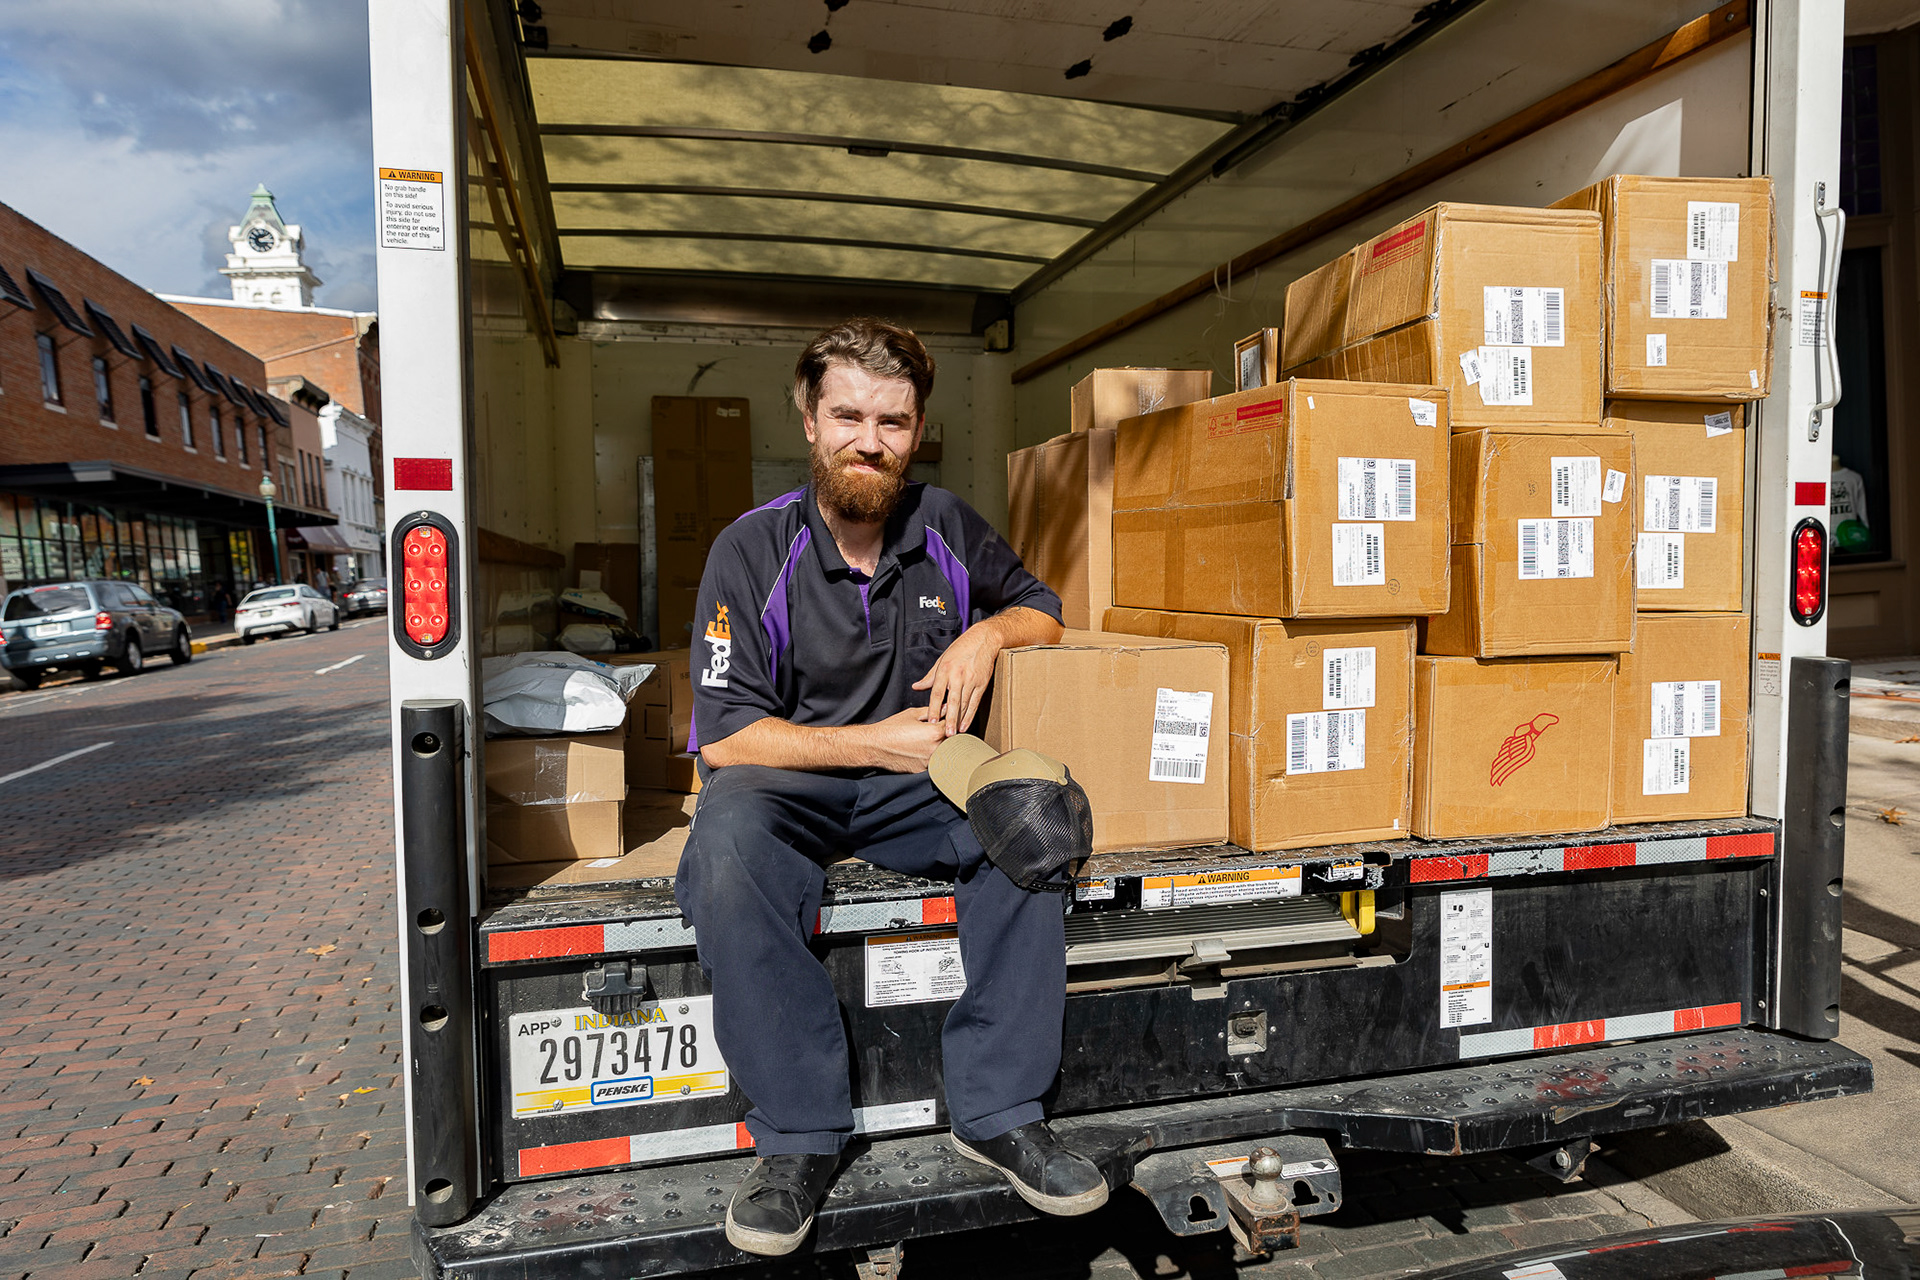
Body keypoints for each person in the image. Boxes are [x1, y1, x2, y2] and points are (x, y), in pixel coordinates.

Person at [676, 318, 1104, 1258]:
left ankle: (999, 1111)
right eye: (848, 416)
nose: (870, 440)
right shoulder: (750, 553)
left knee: (1027, 821)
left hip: (920, 781)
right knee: (727, 845)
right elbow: (729, 738)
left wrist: (987, 634)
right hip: (794, 782)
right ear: (809, 419)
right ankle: (798, 1140)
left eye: (894, 422)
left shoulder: (945, 525)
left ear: (919, 430)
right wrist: (875, 743)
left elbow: (1046, 611)